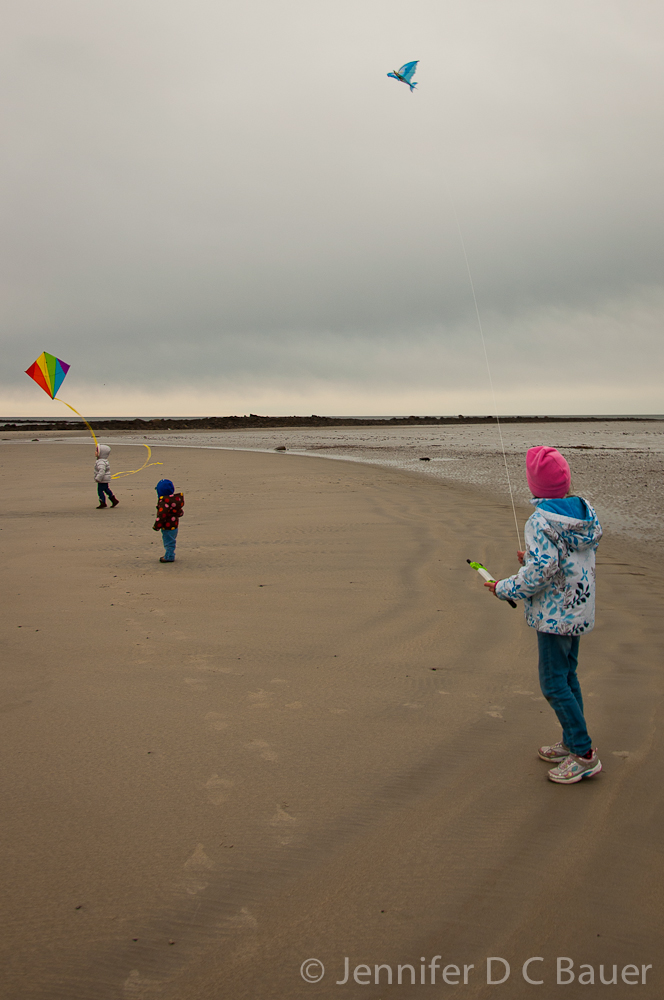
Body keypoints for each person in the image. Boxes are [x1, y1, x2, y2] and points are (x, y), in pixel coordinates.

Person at [485, 446, 603, 784]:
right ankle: (572, 740)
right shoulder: (584, 514)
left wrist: (504, 587)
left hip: (556, 616)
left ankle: (583, 754)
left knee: (553, 682)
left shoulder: (541, 521)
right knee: (568, 676)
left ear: (535, 487)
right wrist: (533, 559)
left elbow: (542, 572)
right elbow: (559, 561)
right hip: (577, 609)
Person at [153, 479, 184, 563]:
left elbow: (162, 515)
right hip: (174, 524)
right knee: (171, 540)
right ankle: (169, 554)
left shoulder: (164, 502)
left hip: (167, 526)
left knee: (168, 541)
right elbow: (180, 512)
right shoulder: (175, 500)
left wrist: (157, 525)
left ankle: (169, 556)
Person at [94, 444, 119, 509]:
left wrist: (98, 478)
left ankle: (103, 502)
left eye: (96, 451)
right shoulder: (103, 461)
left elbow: (102, 471)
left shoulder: (101, 462)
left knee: (100, 490)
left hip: (102, 479)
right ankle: (114, 500)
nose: (95, 452)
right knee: (106, 489)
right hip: (105, 479)